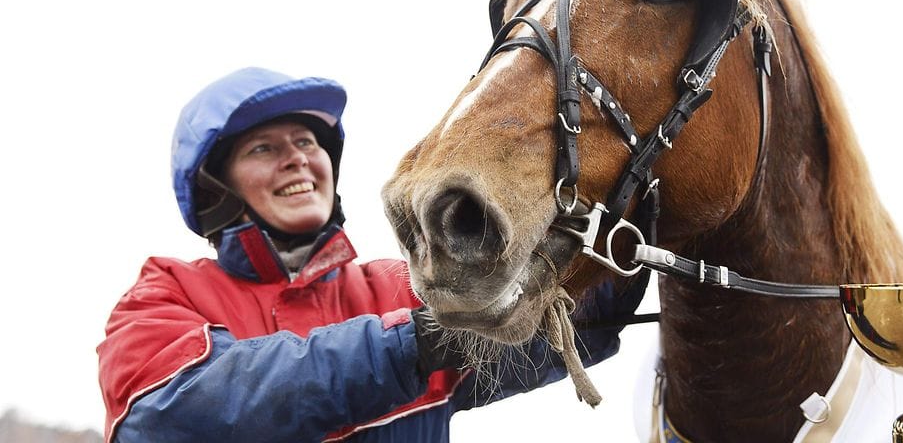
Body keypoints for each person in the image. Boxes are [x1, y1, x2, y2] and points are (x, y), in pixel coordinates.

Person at [96, 67, 648, 443]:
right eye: (265, 148)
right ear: (217, 190)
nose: (297, 159)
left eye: (308, 143)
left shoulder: (398, 287)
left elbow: (571, 333)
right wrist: (410, 346)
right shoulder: (162, 294)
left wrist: (621, 231)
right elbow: (172, 413)